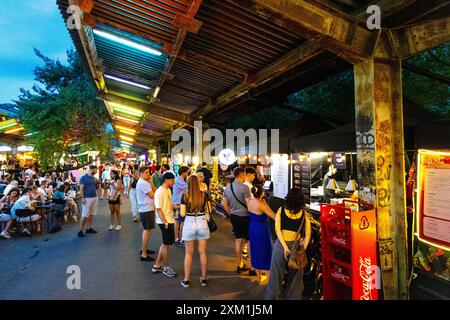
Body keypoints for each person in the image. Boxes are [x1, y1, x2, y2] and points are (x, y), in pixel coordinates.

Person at [266, 188, 311, 300]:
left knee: (275, 275)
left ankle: (272, 298)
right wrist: (302, 249)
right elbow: (308, 235)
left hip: (281, 245)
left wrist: (285, 247)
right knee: (296, 278)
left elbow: (277, 230)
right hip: (297, 246)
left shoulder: (281, 210)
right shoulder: (305, 214)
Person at [179, 175, 210, 288]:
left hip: (189, 223)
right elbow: (208, 210)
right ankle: (203, 278)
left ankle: (186, 280)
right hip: (202, 222)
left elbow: (182, 214)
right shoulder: (203, 194)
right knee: (202, 252)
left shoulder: (185, 195)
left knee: (188, 253)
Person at [222, 167, 253, 274]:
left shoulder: (227, 188)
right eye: (244, 175)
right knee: (249, 241)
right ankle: (252, 267)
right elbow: (249, 204)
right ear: (241, 175)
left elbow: (224, 204)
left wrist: (231, 213)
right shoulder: (245, 188)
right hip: (245, 216)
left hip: (234, 216)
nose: (245, 177)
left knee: (238, 239)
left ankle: (239, 264)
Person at [247, 184, 276, 283]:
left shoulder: (249, 202)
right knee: (266, 250)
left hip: (252, 228)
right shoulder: (261, 204)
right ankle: (268, 278)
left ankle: (259, 277)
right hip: (262, 229)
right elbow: (273, 216)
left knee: (255, 250)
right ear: (261, 193)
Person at [152, 172, 177, 278]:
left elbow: (169, 205)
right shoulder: (159, 192)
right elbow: (158, 209)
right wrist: (165, 222)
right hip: (165, 221)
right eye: (172, 180)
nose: (173, 182)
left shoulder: (167, 190)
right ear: (166, 180)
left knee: (165, 244)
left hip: (170, 219)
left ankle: (157, 265)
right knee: (166, 245)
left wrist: (177, 207)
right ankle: (165, 267)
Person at [136, 166, 157, 261]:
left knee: (147, 231)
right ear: (141, 174)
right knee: (147, 231)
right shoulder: (143, 183)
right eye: (147, 172)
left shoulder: (144, 182)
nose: (149, 174)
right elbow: (153, 195)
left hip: (146, 209)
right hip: (146, 209)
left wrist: (151, 182)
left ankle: (144, 250)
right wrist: (151, 182)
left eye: (149, 172)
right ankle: (144, 254)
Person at [78, 165, 99, 237]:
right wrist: (82, 198)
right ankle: (80, 231)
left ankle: (88, 228)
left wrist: (99, 183)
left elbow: (96, 187)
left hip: (94, 197)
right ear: (91, 169)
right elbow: (81, 189)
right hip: (87, 198)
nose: (96, 171)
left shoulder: (94, 178)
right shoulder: (83, 178)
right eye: (96, 170)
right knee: (84, 214)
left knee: (92, 214)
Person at [173, 166, 189, 247]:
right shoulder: (179, 180)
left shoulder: (180, 179)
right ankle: (179, 239)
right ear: (184, 172)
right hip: (178, 203)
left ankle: (177, 238)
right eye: (187, 172)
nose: (188, 173)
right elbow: (187, 187)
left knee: (178, 220)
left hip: (178, 202)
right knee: (180, 220)